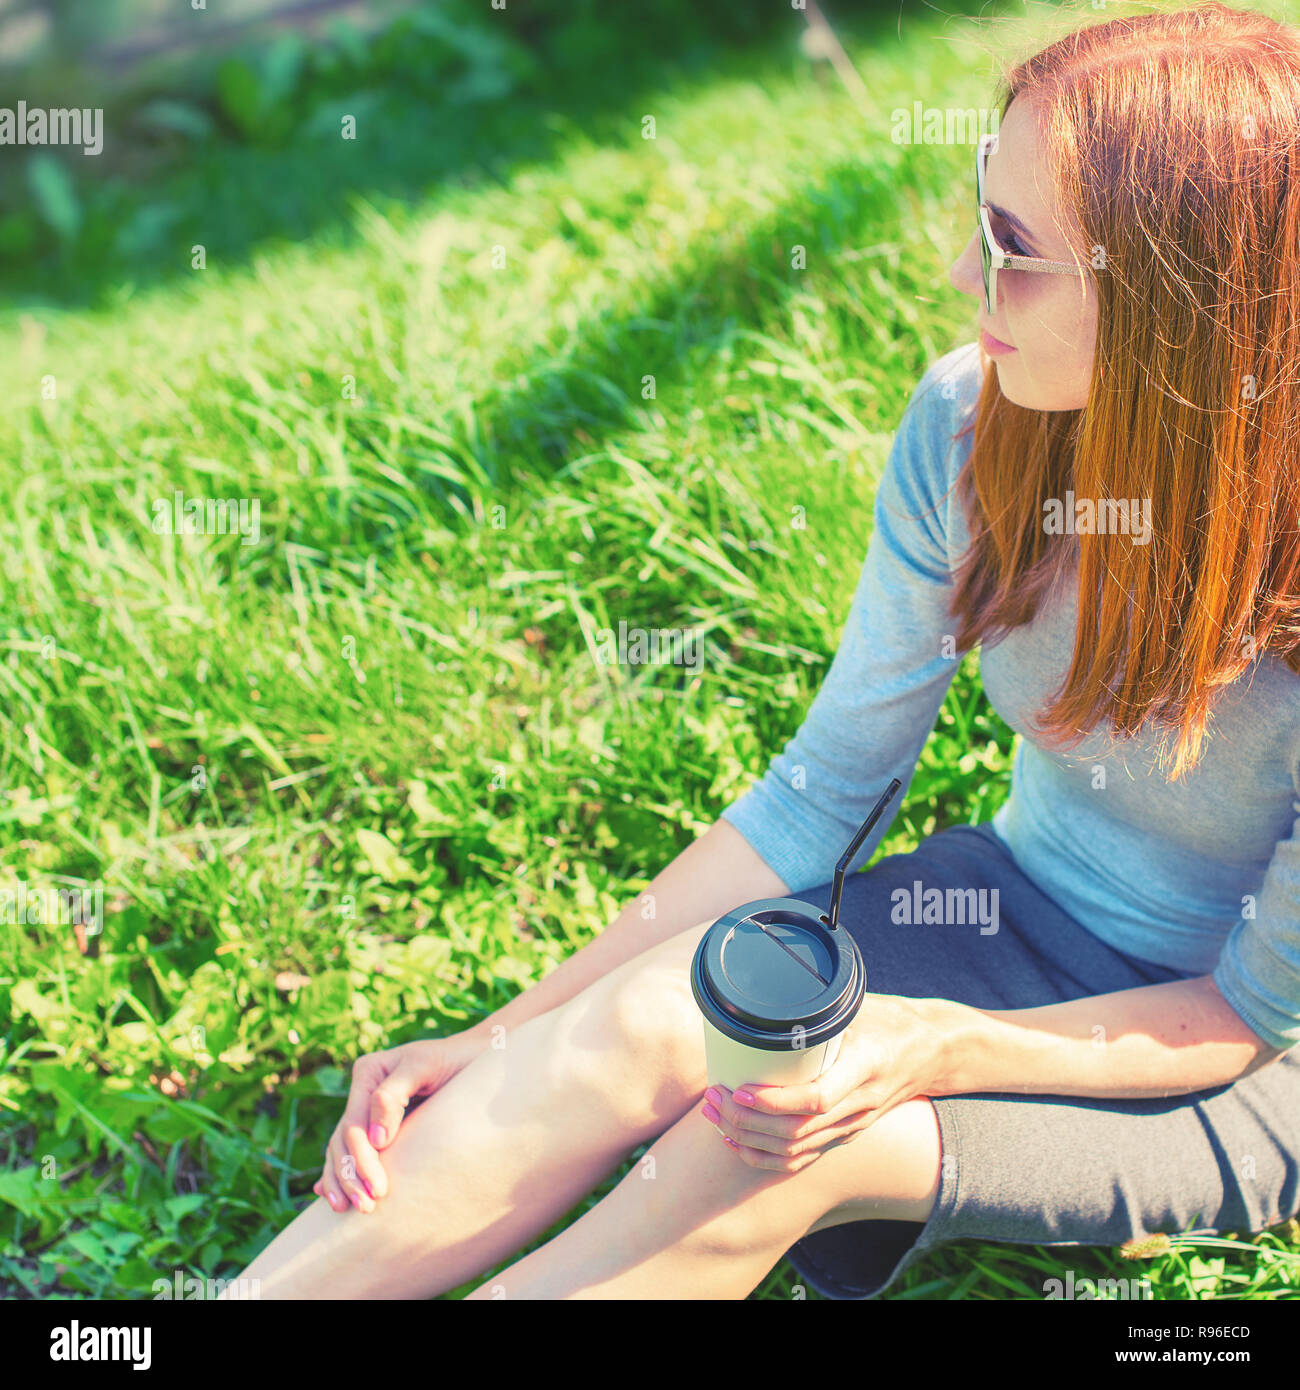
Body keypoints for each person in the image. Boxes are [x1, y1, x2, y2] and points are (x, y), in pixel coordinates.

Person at [229, 3, 1300, 1299]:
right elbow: (824, 788)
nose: (967, 280)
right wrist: (501, 1032)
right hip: (1008, 913)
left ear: (1184, 311)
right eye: (981, 217)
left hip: (1234, 1062)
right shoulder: (973, 426)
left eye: (1017, 251)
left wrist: (927, 1044)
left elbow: (1250, 1012)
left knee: (757, 1152)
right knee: (640, 1026)